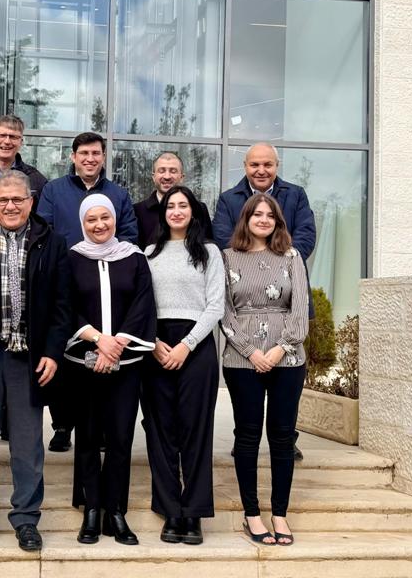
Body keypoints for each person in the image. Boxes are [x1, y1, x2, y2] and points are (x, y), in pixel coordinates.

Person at [0, 170, 72, 553]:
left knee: (27, 447)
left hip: (29, 358)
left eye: (17, 199)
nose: (10, 206)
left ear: (31, 202)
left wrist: (53, 352)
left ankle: (26, 519)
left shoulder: (52, 243)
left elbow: (62, 306)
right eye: (3, 200)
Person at [212, 142, 315, 462]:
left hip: (286, 294)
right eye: (254, 164)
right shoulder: (229, 199)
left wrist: (276, 259)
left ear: (276, 166)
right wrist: (254, 262)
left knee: (285, 388)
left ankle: (286, 439)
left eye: (267, 164)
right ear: (245, 166)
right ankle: (245, 438)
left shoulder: (295, 195)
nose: (261, 170)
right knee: (247, 393)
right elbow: (222, 238)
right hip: (243, 297)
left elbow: (306, 236)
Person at [38, 131, 137, 452]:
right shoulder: (54, 190)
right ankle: (62, 425)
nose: (90, 159)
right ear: (73, 157)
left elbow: (128, 234)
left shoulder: (118, 194)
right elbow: (43, 231)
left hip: (106, 283)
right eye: (84, 153)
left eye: (96, 153)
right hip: (66, 279)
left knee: (101, 354)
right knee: (65, 355)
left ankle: (103, 429)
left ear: (103, 157)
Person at [65, 194, 155, 546]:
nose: (99, 225)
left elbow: (143, 303)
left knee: (120, 438)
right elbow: (65, 303)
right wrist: (97, 339)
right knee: (87, 437)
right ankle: (91, 509)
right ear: (82, 223)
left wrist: (117, 343)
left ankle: (115, 510)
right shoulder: (72, 258)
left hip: (126, 363)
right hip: (83, 362)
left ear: (115, 219)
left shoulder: (134, 257)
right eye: (91, 219)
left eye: (105, 217)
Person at [221, 193, 309, 547]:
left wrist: (278, 349)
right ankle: (252, 514)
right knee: (247, 434)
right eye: (256, 214)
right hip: (242, 360)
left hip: (287, 359)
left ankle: (280, 514)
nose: (263, 219)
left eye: (269, 215)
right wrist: (251, 352)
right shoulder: (227, 257)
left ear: (277, 221)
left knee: (282, 436)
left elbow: (300, 310)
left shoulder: (291, 257)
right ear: (246, 218)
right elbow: (224, 311)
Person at [141, 185, 225, 546]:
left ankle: (193, 513)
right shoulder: (148, 253)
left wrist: (186, 346)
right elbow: (141, 304)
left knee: (195, 430)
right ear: (163, 213)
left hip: (196, 347)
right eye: (170, 206)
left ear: (193, 212)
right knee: (160, 432)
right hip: (156, 346)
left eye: (183, 205)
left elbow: (216, 305)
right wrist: (153, 342)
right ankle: (170, 510)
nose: (176, 211)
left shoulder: (209, 252)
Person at [133, 152, 213, 248]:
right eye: (161, 171)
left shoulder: (199, 208)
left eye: (173, 171)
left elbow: (207, 244)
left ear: (182, 177)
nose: (167, 176)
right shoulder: (137, 210)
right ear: (153, 177)